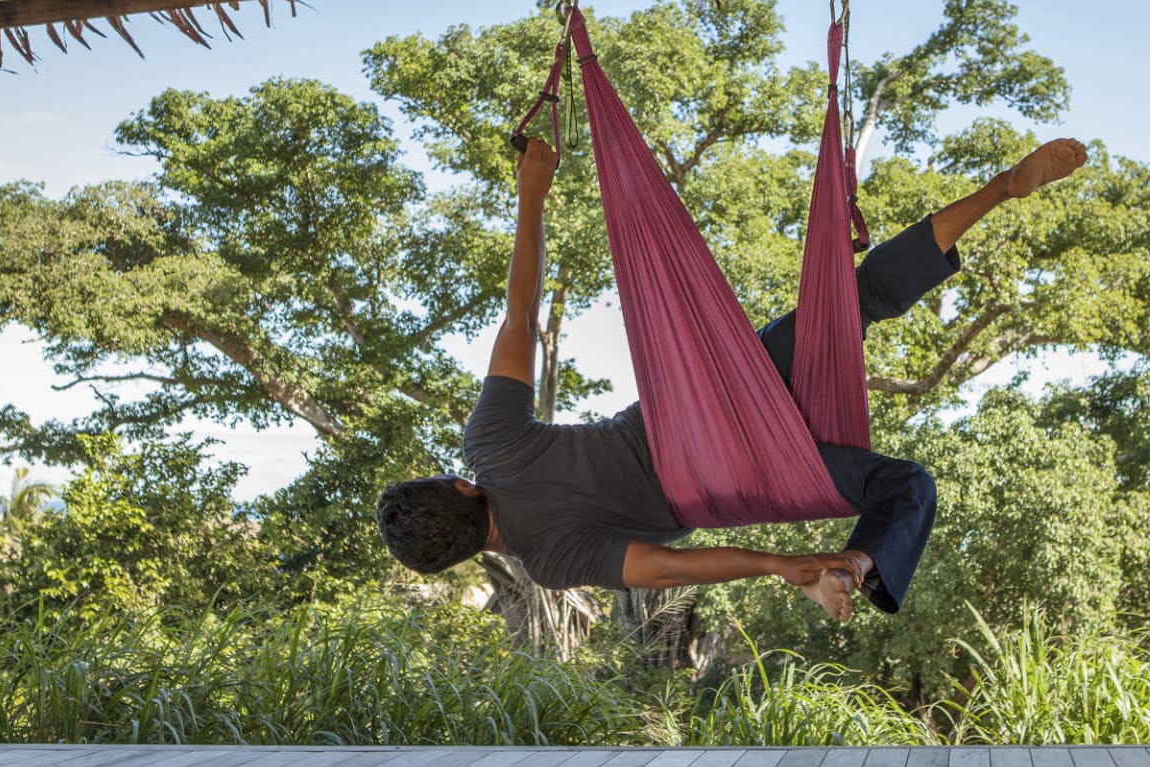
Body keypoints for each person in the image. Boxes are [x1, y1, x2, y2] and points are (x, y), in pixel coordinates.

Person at [378, 135, 1088, 620]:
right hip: (703, 401)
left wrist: (782, 564)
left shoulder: (549, 559)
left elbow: (666, 566)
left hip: (736, 477)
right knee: (851, 300)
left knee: (905, 485)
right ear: (461, 484)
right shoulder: (491, 443)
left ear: (465, 553)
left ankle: (855, 564)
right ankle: (999, 189)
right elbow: (520, 314)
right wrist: (532, 191)